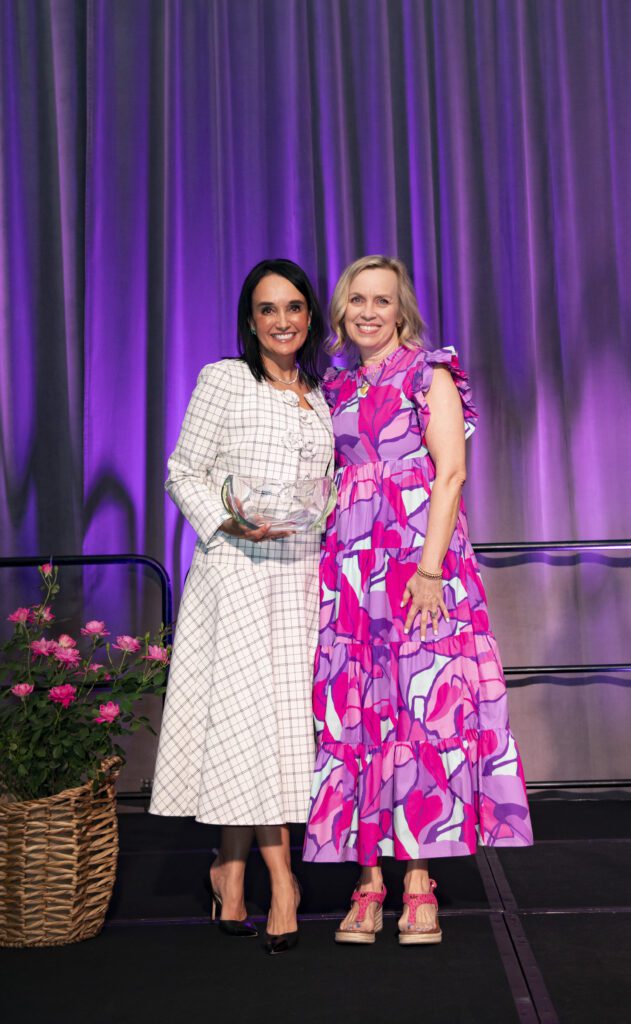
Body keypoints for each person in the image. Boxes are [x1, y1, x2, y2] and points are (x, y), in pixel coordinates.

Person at [303, 255, 533, 945]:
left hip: (416, 563)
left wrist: (429, 570)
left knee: (419, 714)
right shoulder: (336, 384)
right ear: (341, 313)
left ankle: (419, 879)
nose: (368, 311)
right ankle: (367, 877)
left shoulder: (427, 371)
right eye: (356, 301)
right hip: (351, 569)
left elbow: (452, 471)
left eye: (381, 300)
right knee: (361, 717)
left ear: (400, 310)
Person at [150, 259, 334, 955]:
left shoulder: (322, 395)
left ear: (310, 315)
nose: (281, 320)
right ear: (249, 320)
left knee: (272, 730)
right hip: (235, 572)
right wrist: (227, 523)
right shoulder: (223, 380)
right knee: (249, 722)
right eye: (267, 309)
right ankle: (281, 883)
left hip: (300, 578)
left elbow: (328, 487)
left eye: (292, 307)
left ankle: (228, 872)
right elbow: (181, 471)